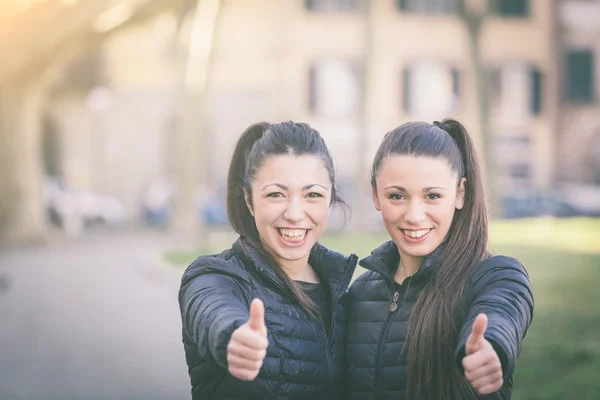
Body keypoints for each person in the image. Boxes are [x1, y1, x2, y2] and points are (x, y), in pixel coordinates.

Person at [346, 119, 534, 399]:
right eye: (397, 196)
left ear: (460, 193)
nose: (414, 215)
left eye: (432, 196)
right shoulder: (359, 292)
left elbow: (503, 310)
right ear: (375, 195)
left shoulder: (494, 276)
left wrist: (492, 346)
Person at [179, 121, 358, 399]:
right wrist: (234, 337)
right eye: (276, 194)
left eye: (312, 195)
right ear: (249, 200)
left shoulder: (344, 292)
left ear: (330, 198)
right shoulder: (215, 276)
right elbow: (211, 310)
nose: (295, 214)